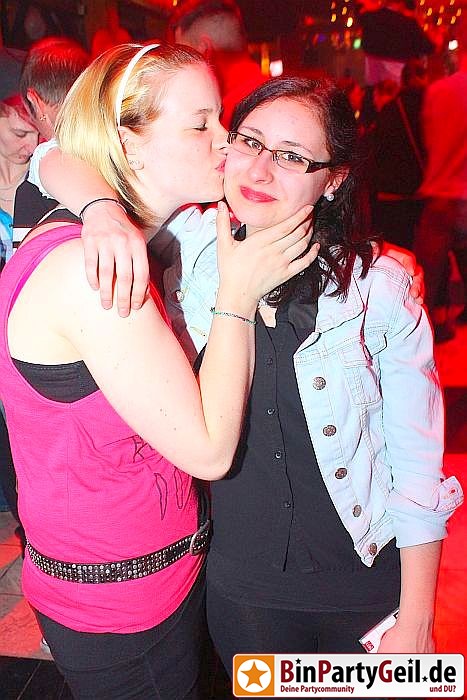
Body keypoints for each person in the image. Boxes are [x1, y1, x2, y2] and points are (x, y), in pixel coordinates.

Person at [31, 75, 462, 675]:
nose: (260, 170)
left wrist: (416, 617)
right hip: (242, 591)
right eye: (250, 141)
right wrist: (101, 210)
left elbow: (416, 465)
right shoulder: (189, 243)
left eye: (291, 157)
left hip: (363, 586)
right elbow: (52, 155)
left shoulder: (380, 291)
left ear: (334, 179)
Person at [0, 43, 316, 700]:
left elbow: (51, 156)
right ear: (129, 144)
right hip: (121, 609)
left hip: (144, 579)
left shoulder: (111, 235)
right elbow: (208, 449)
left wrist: (99, 203)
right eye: (200, 124)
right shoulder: (88, 271)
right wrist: (238, 293)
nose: (224, 139)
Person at [414, 15, 467, 337]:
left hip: (441, 197)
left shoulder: (438, 92)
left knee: (428, 283)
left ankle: (428, 335)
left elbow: (430, 143)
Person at [168, 0, 265, 128]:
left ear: (205, 50)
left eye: (186, 56)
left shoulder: (222, 120)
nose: (180, 65)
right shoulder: (274, 96)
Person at [371, 58, 427, 249]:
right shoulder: (434, 107)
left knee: (400, 248)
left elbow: (377, 152)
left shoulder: (392, 110)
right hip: (427, 192)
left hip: (393, 194)